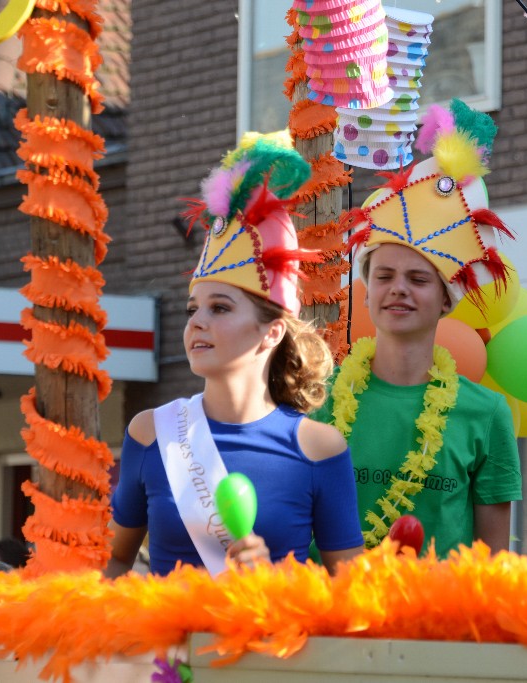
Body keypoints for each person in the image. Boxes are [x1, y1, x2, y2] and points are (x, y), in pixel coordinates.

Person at [107, 134, 364, 578]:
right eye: (193, 309)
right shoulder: (150, 433)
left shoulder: (320, 449)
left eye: (220, 308)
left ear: (272, 332)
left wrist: (279, 581)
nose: (196, 322)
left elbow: (352, 595)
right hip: (168, 649)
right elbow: (114, 562)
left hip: (273, 645)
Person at [313, 100, 522, 556]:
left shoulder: (487, 414)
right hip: (331, 624)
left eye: (419, 279)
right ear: (366, 291)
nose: (398, 291)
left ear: (447, 299)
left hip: (437, 627)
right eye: (384, 276)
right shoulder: (318, 399)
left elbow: (494, 565)